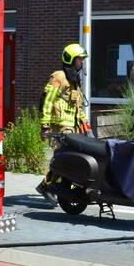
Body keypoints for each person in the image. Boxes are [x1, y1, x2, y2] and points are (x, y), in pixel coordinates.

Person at [36, 43, 90, 205]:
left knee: (66, 157)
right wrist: (45, 126)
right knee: (64, 157)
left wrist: (85, 124)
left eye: (82, 59)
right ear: (71, 59)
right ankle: (47, 186)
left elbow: (76, 106)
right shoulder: (59, 76)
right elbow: (46, 101)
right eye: (80, 59)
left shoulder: (74, 79)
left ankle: (52, 185)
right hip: (60, 127)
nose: (82, 62)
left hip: (71, 127)